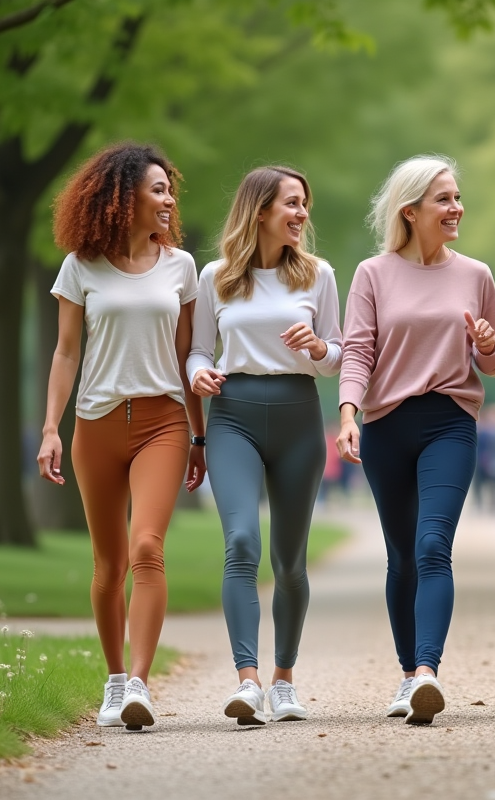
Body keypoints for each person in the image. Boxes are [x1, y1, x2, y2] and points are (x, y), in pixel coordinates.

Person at [336, 154, 495, 725]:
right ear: (410, 212)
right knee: (401, 555)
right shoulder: (372, 274)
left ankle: (428, 674)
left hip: (449, 422)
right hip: (386, 424)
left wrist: (486, 343)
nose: (456, 208)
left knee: (433, 544)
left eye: (457, 197)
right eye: (444, 199)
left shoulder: (476, 274)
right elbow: (359, 350)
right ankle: (408, 673)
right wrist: (347, 415)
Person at [37, 143, 205, 731]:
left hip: (163, 422)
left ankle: (139, 682)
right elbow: (65, 351)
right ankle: (113, 680)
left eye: (170, 189)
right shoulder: (81, 266)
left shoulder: (180, 266)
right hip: (95, 424)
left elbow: (188, 354)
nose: (169, 199)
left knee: (146, 548)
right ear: (121, 196)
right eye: (157, 189)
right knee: (108, 564)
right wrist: (49, 430)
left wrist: (200, 436)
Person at [187, 166, 342, 725]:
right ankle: (247, 680)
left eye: (305, 205)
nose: (302, 215)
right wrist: (201, 374)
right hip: (235, 419)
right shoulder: (217, 276)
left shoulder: (318, 275)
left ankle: (283, 680)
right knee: (243, 542)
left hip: (300, 419)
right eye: (292, 204)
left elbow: (341, 358)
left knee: (290, 560)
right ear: (259, 211)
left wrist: (319, 346)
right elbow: (199, 350)